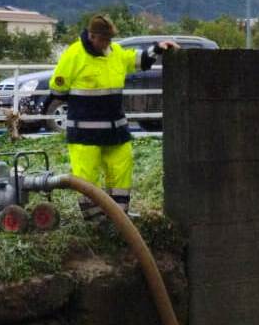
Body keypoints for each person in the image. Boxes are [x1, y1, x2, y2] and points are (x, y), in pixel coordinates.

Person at [42, 15, 175, 219]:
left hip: (115, 131)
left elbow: (138, 59)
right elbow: (58, 89)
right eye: (104, 40)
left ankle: (120, 216)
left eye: (109, 40)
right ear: (92, 36)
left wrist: (157, 48)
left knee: (122, 168)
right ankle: (95, 219)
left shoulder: (115, 52)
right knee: (86, 176)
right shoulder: (74, 55)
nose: (107, 44)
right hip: (84, 133)